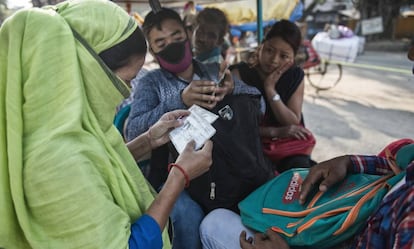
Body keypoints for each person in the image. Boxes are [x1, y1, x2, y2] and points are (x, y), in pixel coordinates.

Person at [0, 1, 213, 248]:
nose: (126, 92)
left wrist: (148, 140)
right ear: (93, 73)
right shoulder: (54, 161)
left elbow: (98, 167)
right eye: (125, 81)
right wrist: (179, 176)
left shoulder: (68, 128)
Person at [125, 7, 264, 249]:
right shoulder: (152, 83)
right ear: (153, 50)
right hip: (175, 177)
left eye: (176, 37)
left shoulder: (212, 69)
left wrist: (234, 89)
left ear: (188, 34)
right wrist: (180, 99)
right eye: (160, 42)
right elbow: (133, 132)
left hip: (225, 169)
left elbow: (258, 104)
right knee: (186, 213)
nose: (171, 45)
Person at [200, 138, 414, 249]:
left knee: (213, 224)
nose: (410, 57)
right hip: (341, 226)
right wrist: (349, 162)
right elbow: (399, 163)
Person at [229, 19, 315, 172]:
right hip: (249, 146)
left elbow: (292, 121)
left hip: (286, 148)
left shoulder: (294, 76)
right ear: (261, 46)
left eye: (284, 56)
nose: (274, 60)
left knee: (299, 173)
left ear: (293, 58)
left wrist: (270, 90)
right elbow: (232, 123)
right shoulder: (239, 74)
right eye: (269, 50)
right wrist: (274, 132)